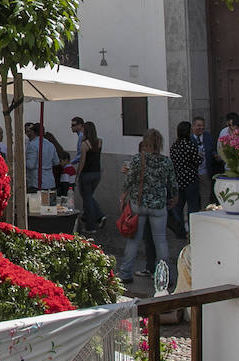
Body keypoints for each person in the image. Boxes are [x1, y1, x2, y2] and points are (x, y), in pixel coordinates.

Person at [117, 128, 176, 288]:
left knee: (133, 240)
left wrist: (123, 195)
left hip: (138, 203)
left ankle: (125, 273)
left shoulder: (138, 159)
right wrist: (173, 198)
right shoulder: (166, 161)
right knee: (161, 241)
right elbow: (172, 183)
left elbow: (129, 180)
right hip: (158, 205)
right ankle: (165, 276)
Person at [169, 121, 201, 239]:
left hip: (179, 179)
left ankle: (180, 231)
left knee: (178, 207)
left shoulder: (174, 146)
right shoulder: (190, 145)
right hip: (191, 179)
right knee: (192, 207)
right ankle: (193, 231)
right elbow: (197, 161)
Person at [75, 120, 105, 228]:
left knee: (87, 199)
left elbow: (82, 161)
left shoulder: (84, 144)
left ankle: (91, 224)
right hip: (96, 172)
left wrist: (77, 174)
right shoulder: (99, 142)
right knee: (89, 197)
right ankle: (98, 215)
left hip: (87, 173)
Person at [24, 123, 58, 192]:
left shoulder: (32, 145)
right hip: (50, 182)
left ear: (33, 132)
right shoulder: (51, 144)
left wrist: (21, 161)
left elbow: (30, 165)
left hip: (37, 183)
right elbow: (56, 162)